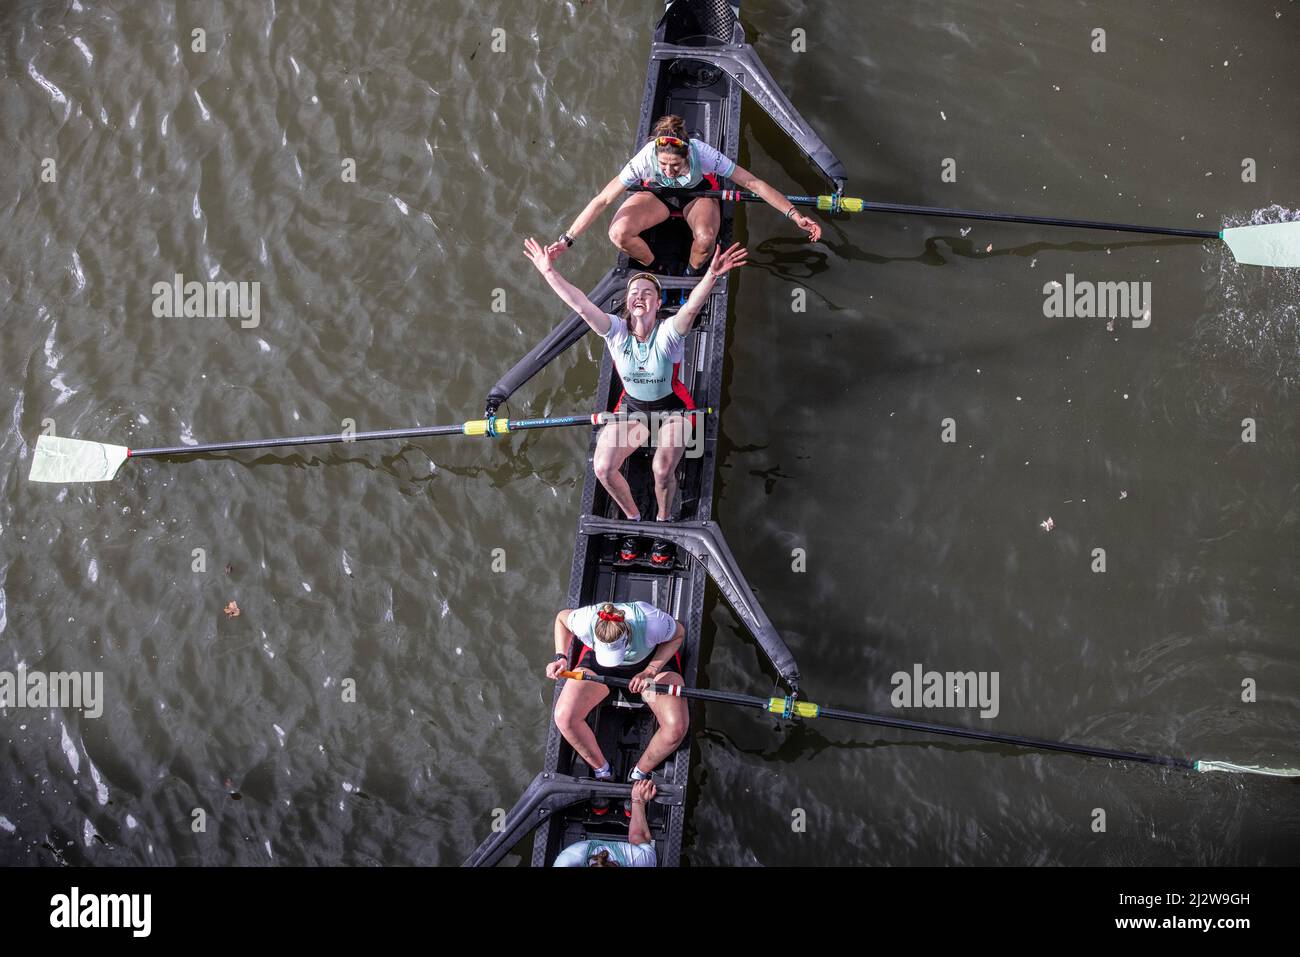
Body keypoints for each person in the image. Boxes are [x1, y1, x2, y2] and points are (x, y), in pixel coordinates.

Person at [523, 237, 745, 563]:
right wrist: (548, 272)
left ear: (657, 305)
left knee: (662, 467)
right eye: (633, 294)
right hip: (634, 410)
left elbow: (693, 306)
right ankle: (633, 518)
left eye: (647, 293)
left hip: (674, 411)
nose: (639, 296)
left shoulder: (669, 332)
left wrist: (711, 276)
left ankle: (663, 522)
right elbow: (581, 305)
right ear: (628, 304)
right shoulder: (614, 330)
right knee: (602, 467)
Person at [545, 114, 822, 275]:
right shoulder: (644, 158)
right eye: (663, 164)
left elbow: (752, 183)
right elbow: (602, 200)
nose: (668, 169)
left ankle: (690, 274)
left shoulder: (704, 154)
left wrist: (794, 215)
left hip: (697, 196)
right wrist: (567, 240)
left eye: (675, 165)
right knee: (618, 233)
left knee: (704, 239)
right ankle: (656, 269)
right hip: (658, 197)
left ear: (687, 153)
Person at [546, 601, 687, 809]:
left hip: (647, 670)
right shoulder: (585, 620)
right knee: (564, 717)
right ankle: (603, 772)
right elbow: (561, 618)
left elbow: (679, 633)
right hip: (598, 668)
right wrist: (560, 657)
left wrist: (650, 671)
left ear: (627, 634)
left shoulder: (650, 622)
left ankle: (638, 773)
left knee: (676, 728)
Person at [552, 780, 659, 867]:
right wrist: (638, 799)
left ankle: (604, 778)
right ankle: (632, 804)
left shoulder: (568, 859)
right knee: (638, 838)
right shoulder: (642, 861)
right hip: (629, 858)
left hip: (582, 853)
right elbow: (640, 836)